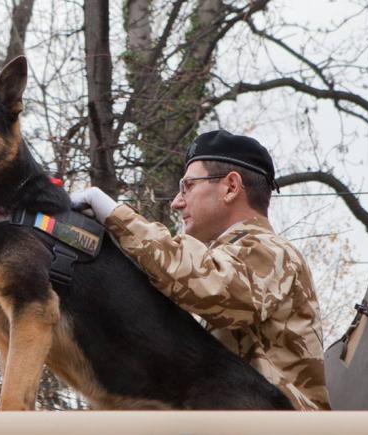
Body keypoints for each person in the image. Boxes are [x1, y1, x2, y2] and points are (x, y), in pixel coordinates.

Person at [71, 129, 331, 410]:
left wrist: (115, 216)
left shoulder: (273, 252)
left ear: (231, 187)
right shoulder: (231, 260)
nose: (176, 202)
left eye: (188, 186)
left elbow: (210, 285)